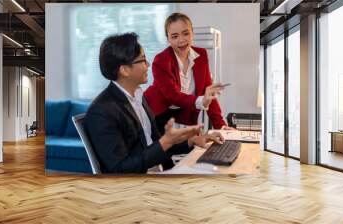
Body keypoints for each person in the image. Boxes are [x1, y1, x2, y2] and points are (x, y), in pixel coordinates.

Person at [84, 32, 224, 174]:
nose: (148, 65)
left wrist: (192, 141)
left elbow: (155, 145)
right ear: (124, 70)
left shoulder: (139, 97)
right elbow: (120, 169)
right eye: (142, 60)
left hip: (161, 172)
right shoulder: (102, 111)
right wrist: (166, 142)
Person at [144, 12, 234, 135]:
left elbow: (207, 91)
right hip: (158, 112)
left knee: (189, 149)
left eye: (185, 33)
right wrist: (201, 101)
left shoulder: (201, 55)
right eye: (174, 36)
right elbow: (173, 96)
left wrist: (221, 125)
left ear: (192, 33)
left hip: (183, 113)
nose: (181, 40)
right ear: (168, 39)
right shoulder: (161, 60)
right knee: (164, 152)